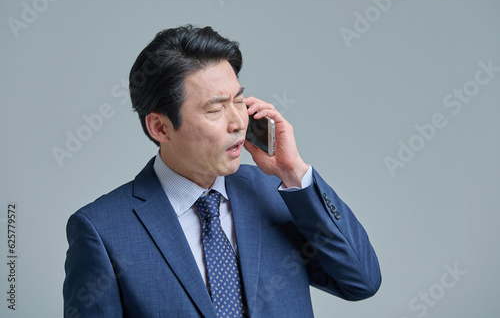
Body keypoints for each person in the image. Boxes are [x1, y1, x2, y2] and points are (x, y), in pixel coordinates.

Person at [63, 25, 381, 318]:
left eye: (239, 101)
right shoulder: (102, 231)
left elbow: (362, 281)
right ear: (160, 127)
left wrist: (293, 171)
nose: (239, 122)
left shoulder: (279, 193)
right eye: (215, 110)